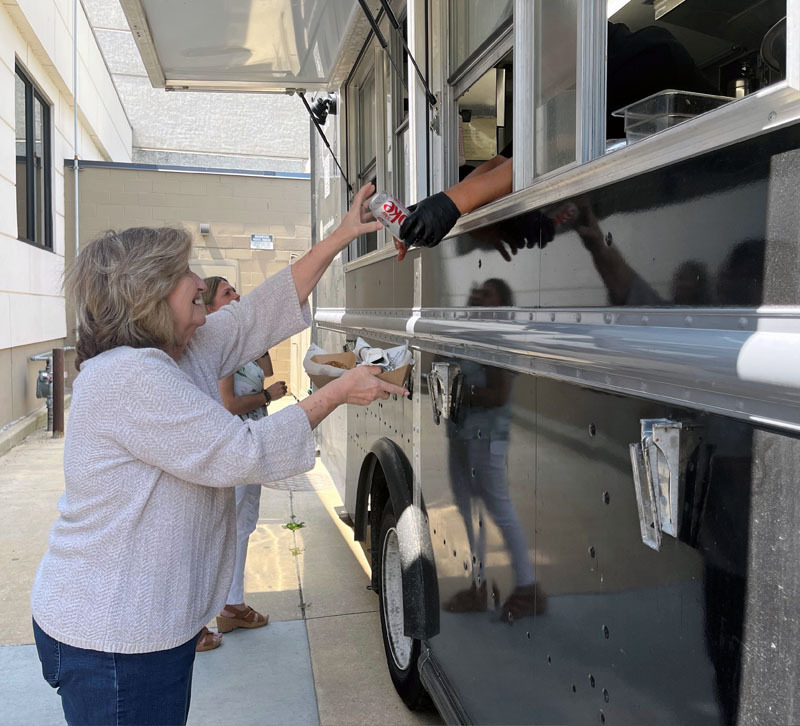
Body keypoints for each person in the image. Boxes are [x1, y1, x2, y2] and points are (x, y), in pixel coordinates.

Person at [30, 183, 405, 726]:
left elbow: (257, 313)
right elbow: (241, 452)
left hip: (144, 623)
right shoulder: (129, 377)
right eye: (193, 293)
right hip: (113, 637)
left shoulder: (178, 346)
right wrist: (337, 392)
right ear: (151, 300)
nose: (205, 306)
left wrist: (340, 237)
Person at [396, 21, 717, 259]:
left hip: (693, 228)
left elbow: (555, 151)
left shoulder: (648, 55)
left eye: (539, 53)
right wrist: (429, 210)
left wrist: (455, 203)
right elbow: (504, 161)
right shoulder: (568, 92)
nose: (538, 74)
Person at [195, 276, 288, 652]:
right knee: (219, 528)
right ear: (212, 308)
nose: (237, 296)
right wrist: (267, 395)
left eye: (236, 290)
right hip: (232, 441)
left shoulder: (239, 344)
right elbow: (229, 404)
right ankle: (197, 622)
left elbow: (265, 365)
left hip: (253, 441)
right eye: (227, 293)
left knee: (244, 524)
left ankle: (232, 604)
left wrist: (258, 334)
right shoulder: (217, 350)